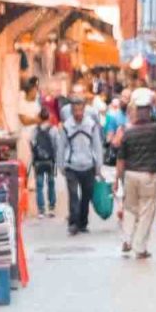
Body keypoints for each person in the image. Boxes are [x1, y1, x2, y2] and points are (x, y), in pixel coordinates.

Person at [117, 90, 156, 259]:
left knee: (129, 208)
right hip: (148, 175)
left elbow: (121, 158)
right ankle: (139, 247)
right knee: (146, 212)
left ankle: (127, 239)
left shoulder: (128, 132)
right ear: (150, 111)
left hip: (130, 175)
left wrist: (117, 180)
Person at [61, 95, 106, 236]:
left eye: (80, 110)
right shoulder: (66, 126)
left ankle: (83, 222)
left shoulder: (91, 125)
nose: (78, 114)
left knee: (86, 195)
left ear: (84, 110)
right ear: (72, 111)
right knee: (73, 195)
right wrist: (61, 165)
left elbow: (97, 145)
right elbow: (61, 146)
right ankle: (73, 223)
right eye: (75, 110)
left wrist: (99, 165)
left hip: (89, 166)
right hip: (72, 166)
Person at [29, 117, 61, 221]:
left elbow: (31, 142)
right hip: (50, 161)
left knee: (39, 185)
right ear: (48, 118)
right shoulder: (53, 129)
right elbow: (57, 144)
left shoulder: (35, 130)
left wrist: (34, 155)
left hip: (38, 161)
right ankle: (51, 208)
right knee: (51, 183)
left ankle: (41, 210)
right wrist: (56, 158)